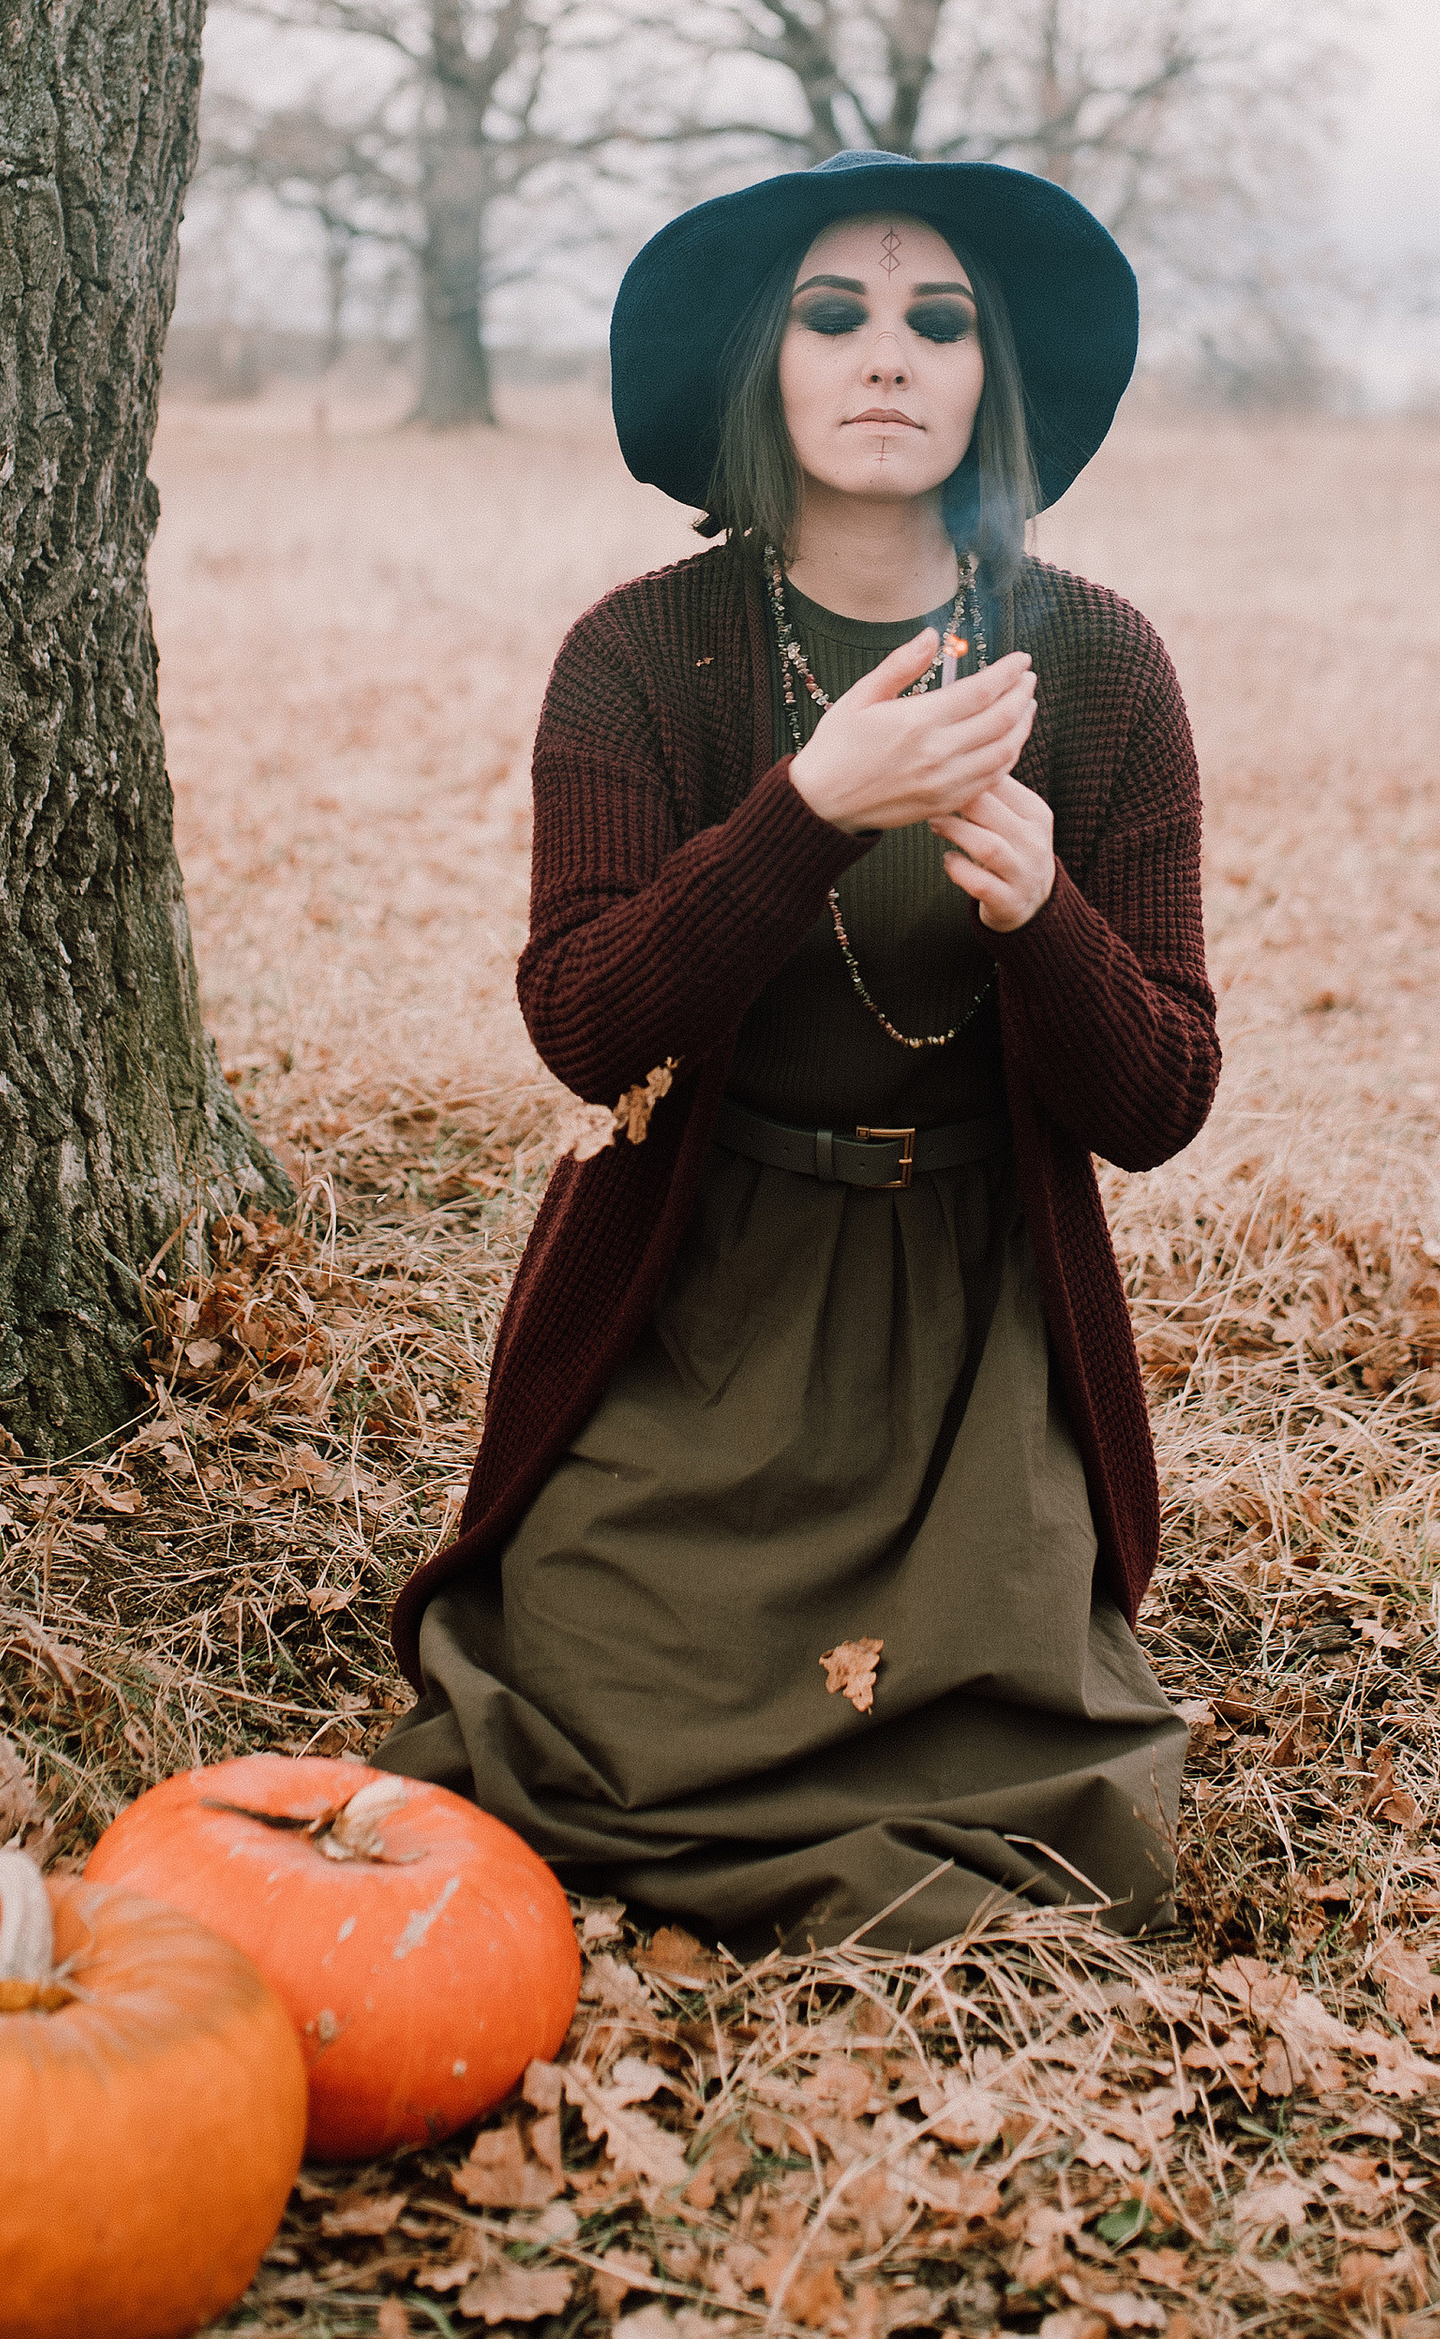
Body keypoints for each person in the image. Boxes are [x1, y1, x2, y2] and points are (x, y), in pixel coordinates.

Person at [379, 149, 1219, 1954]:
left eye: (940, 321)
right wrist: (813, 811)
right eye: (834, 316)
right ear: (767, 361)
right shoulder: (641, 652)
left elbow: (1160, 1103)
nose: (886, 357)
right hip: (702, 1297)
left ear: (996, 377)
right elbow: (584, 1025)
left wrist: (1040, 911)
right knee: (566, 1719)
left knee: (1037, 1781)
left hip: (970, 1330)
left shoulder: (1100, 663)